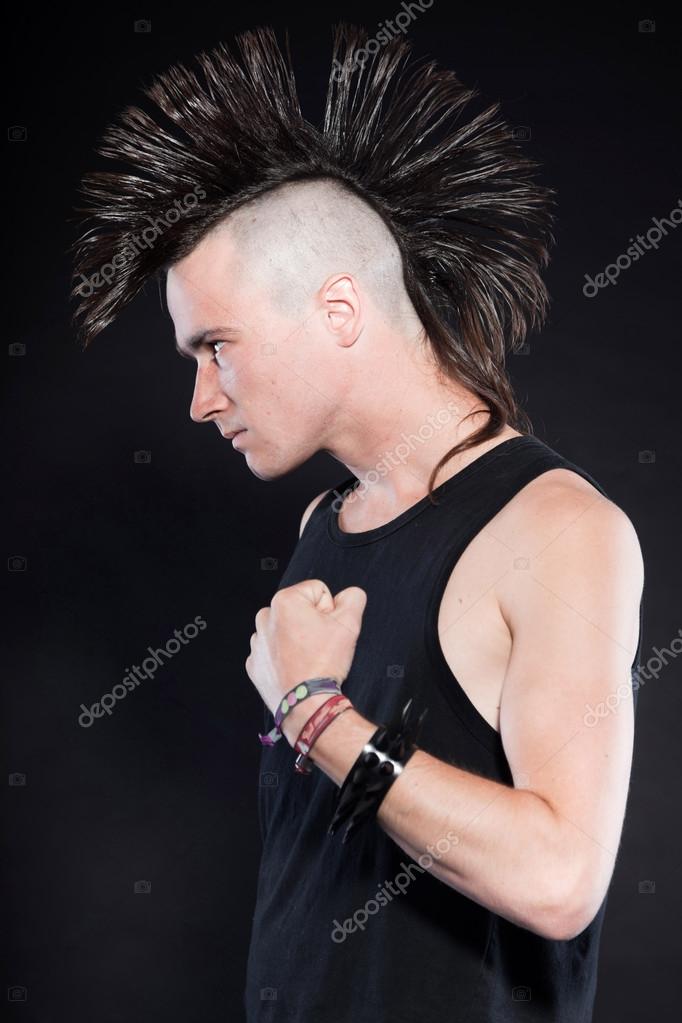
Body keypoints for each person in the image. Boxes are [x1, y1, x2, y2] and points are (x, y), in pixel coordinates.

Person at [70, 25, 645, 1022]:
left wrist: (315, 713)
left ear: (339, 310)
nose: (202, 399)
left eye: (218, 347)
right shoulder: (322, 522)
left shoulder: (553, 528)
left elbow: (561, 880)